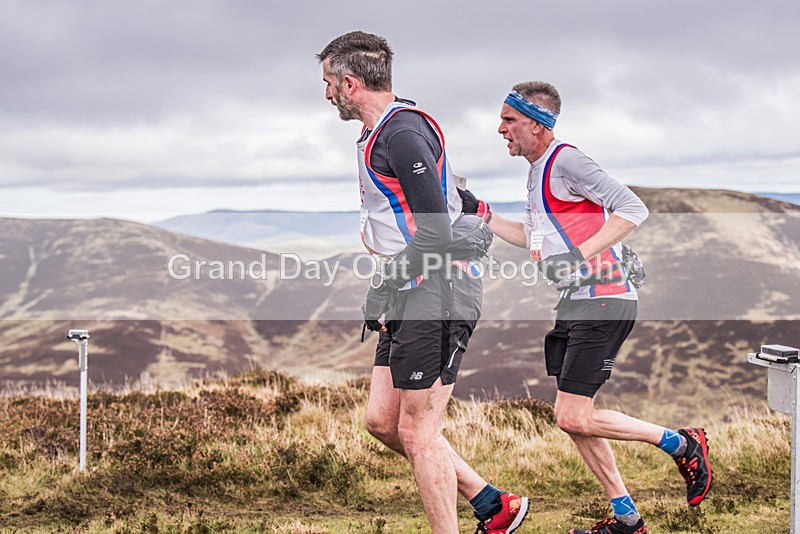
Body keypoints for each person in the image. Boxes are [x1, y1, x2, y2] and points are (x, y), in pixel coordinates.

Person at [461, 81, 713, 534]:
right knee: (577, 421)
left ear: (537, 124)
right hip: (578, 302)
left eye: (509, 120)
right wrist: (481, 212)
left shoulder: (567, 160)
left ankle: (682, 443)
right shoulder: (538, 170)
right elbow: (533, 239)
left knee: (571, 415)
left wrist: (582, 257)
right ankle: (626, 519)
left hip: (606, 298)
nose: (500, 129)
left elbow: (633, 208)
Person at [316, 31, 528, 534]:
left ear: (349, 83)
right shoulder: (383, 134)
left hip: (438, 289)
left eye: (328, 83)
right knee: (382, 422)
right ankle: (494, 505)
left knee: (417, 431)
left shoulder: (402, 132)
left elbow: (433, 229)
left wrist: (387, 280)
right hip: (412, 288)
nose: (326, 95)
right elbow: (449, 199)